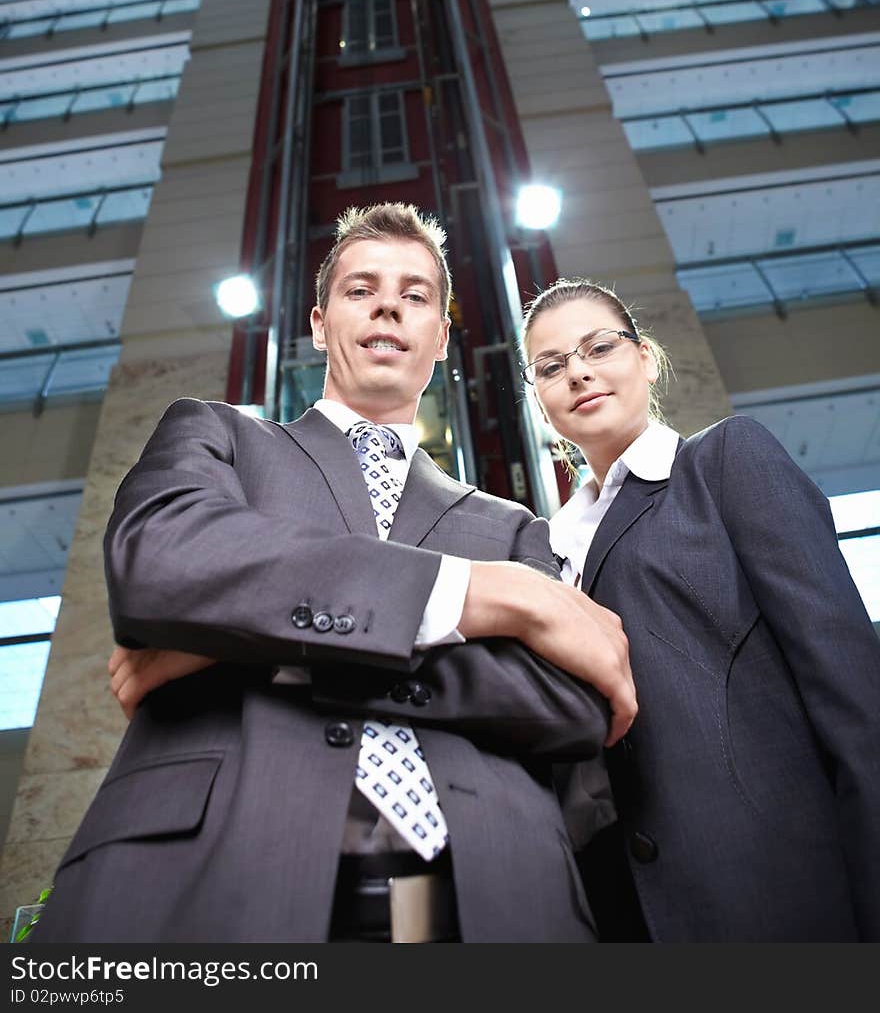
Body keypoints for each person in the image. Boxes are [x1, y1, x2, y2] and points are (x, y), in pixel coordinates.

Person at [31, 205, 636, 945]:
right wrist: (481, 595)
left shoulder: (512, 526)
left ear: (441, 339)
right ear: (319, 324)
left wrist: (250, 637)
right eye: (362, 289)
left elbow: (567, 703)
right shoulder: (217, 435)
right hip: (220, 862)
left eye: (416, 295)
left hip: (484, 884)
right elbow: (162, 562)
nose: (389, 304)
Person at [521, 277, 880, 943]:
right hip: (618, 909)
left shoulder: (723, 465)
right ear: (538, 398)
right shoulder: (542, 554)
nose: (578, 372)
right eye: (551, 366)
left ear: (646, 358)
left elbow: (855, 698)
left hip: (775, 892)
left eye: (599, 347)